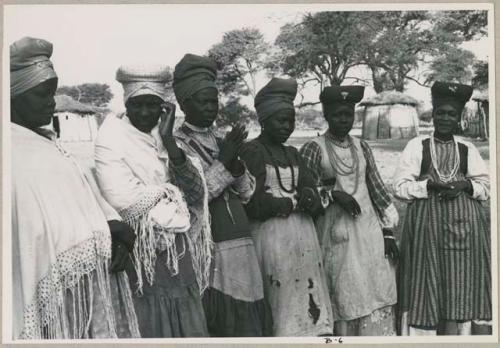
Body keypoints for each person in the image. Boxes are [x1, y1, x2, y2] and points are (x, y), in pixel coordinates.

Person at [10, 37, 139, 339]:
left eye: (52, 93)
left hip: (91, 287)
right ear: (13, 96)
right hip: (53, 295)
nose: (51, 102)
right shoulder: (12, 152)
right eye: (42, 94)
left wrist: (114, 229)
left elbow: (89, 203)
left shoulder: (50, 145)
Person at [94, 64, 212, 338]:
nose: (145, 113)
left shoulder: (164, 135)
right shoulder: (111, 138)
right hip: (140, 252)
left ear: (164, 107)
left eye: (153, 105)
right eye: (138, 105)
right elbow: (123, 199)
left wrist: (169, 140)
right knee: (150, 325)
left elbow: (195, 193)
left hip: (178, 252)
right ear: (126, 103)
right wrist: (170, 191)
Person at [172, 53, 273, 337]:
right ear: (183, 103)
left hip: (242, 244)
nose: (209, 108)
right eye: (202, 102)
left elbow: (248, 194)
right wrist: (224, 162)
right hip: (211, 247)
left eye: (213, 101)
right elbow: (193, 196)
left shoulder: (220, 139)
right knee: (222, 321)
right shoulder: (177, 144)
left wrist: (237, 168)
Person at [393, 81, 491, 336]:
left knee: (460, 285)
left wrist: (465, 186)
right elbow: (400, 187)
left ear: (459, 119)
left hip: (464, 234)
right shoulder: (418, 146)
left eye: (452, 114)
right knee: (426, 284)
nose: (446, 118)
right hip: (428, 231)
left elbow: (486, 186)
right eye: (441, 113)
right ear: (433, 115)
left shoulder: (466, 148)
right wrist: (429, 186)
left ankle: (459, 337)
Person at [299, 86, 399, 336]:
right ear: (326, 115)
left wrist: (388, 232)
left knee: (375, 288)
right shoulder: (314, 148)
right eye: (336, 115)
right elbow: (304, 195)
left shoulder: (362, 147)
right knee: (343, 292)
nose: (343, 120)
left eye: (348, 114)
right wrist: (333, 195)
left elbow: (377, 190)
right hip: (335, 236)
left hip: (369, 234)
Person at [239, 77, 333, 337]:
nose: (286, 127)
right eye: (280, 120)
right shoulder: (253, 151)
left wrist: (309, 196)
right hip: (270, 238)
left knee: (306, 293)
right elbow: (253, 203)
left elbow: (310, 189)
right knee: (279, 296)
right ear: (263, 120)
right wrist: (292, 202)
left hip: (303, 236)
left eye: (290, 121)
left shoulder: (293, 154)